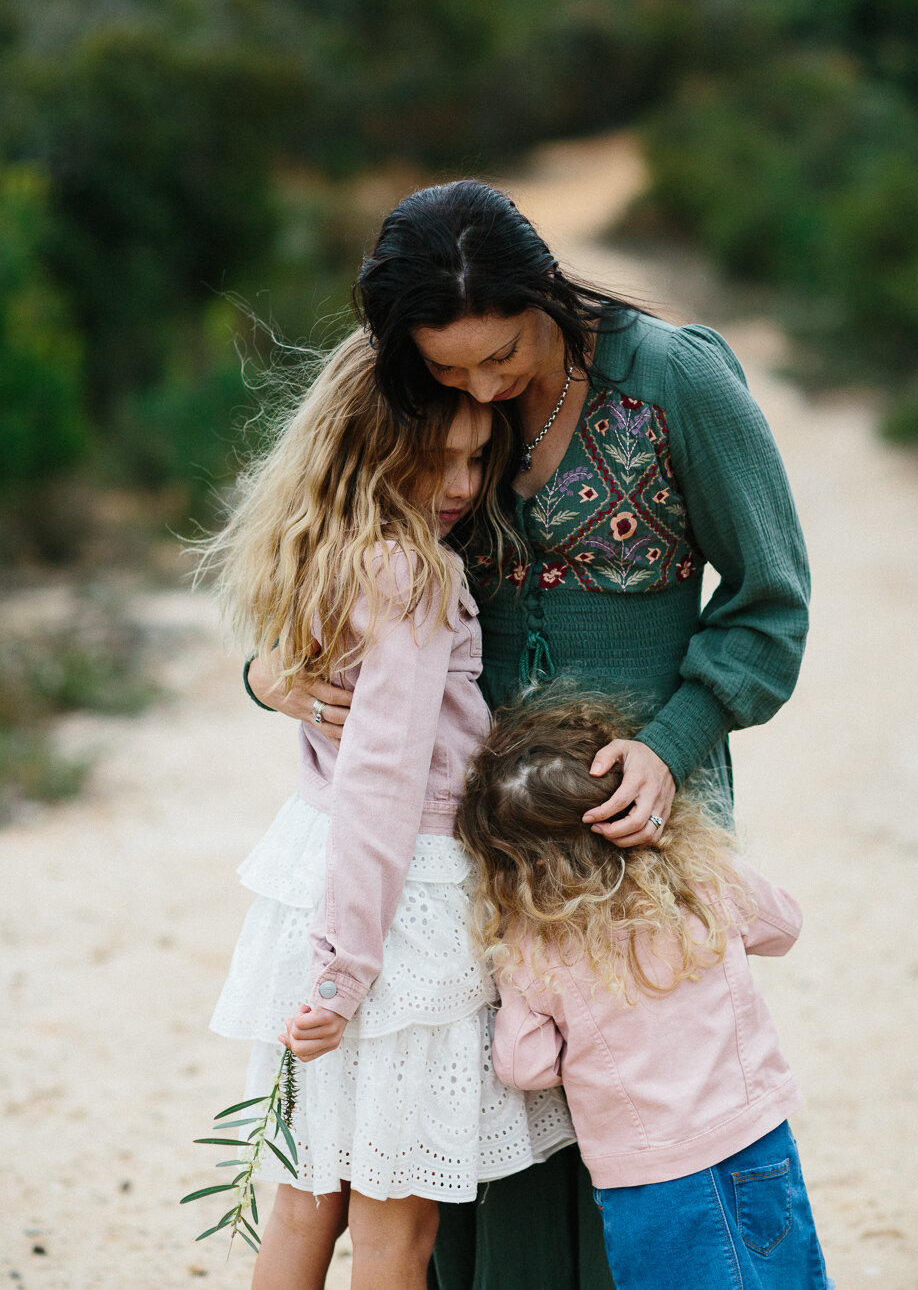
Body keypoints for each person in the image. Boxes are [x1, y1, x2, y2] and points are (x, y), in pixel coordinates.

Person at [244, 179, 811, 1290]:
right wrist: (267, 676)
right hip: (460, 848)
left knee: (647, 1111)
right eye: (450, 369)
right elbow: (334, 545)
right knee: (470, 1125)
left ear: (543, 291)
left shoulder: (675, 384)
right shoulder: (429, 403)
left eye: (499, 353)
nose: (483, 387)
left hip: (629, 822)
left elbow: (768, 599)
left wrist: (674, 739)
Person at [203, 329, 573, 1290]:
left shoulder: (327, 553)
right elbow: (384, 783)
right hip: (394, 918)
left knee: (300, 1202)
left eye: (478, 455)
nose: (460, 483)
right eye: (435, 457)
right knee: (396, 1240)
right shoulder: (414, 576)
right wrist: (349, 966)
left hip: (319, 887)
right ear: (371, 450)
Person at [455, 687, 832, 1290]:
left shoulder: (534, 948)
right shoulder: (701, 880)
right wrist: (694, 851)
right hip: (758, 1139)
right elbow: (783, 925)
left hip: (651, 1180)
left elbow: (524, 1065)